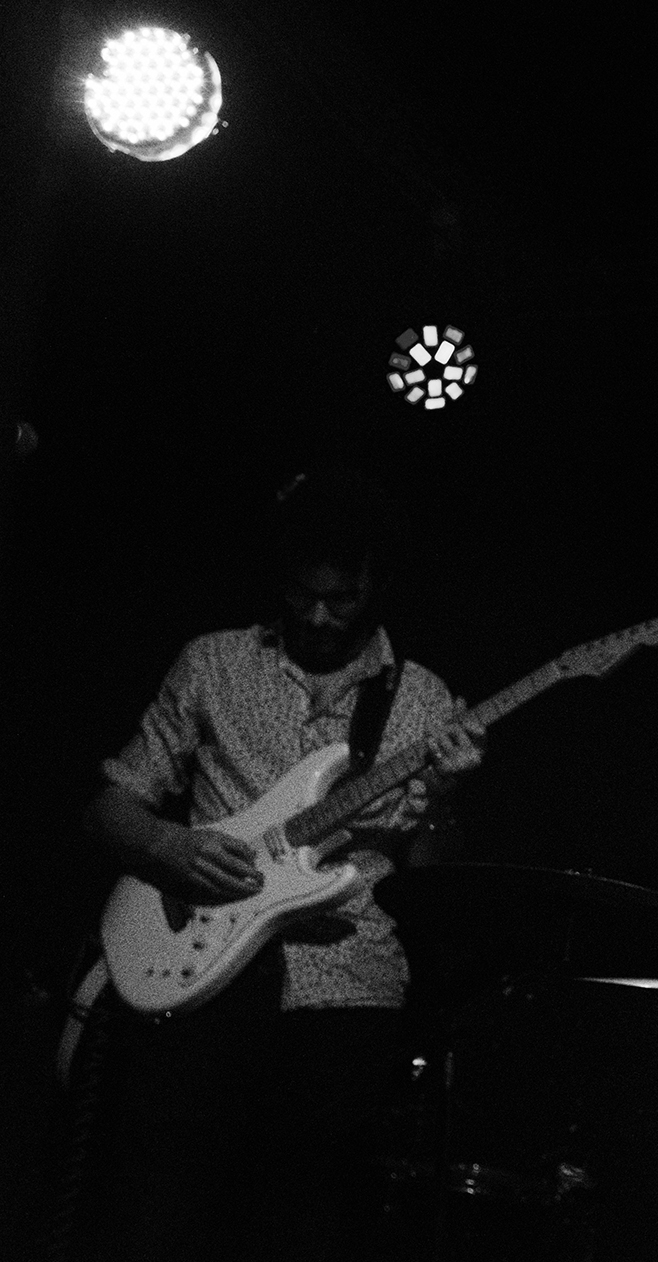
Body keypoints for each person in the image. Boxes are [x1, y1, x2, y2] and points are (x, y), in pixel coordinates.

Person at [78, 465, 485, 1262]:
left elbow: (434, 871)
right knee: (164, 1219)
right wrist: (170, 845)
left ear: (378, 582)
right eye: (304, 593)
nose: (321, 614)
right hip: (198, 986)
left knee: (302, 1228)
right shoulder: (212, 664)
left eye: (343, 595)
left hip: (344, 996)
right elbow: (106, 808)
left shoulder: (425, 699)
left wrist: (445, 797)